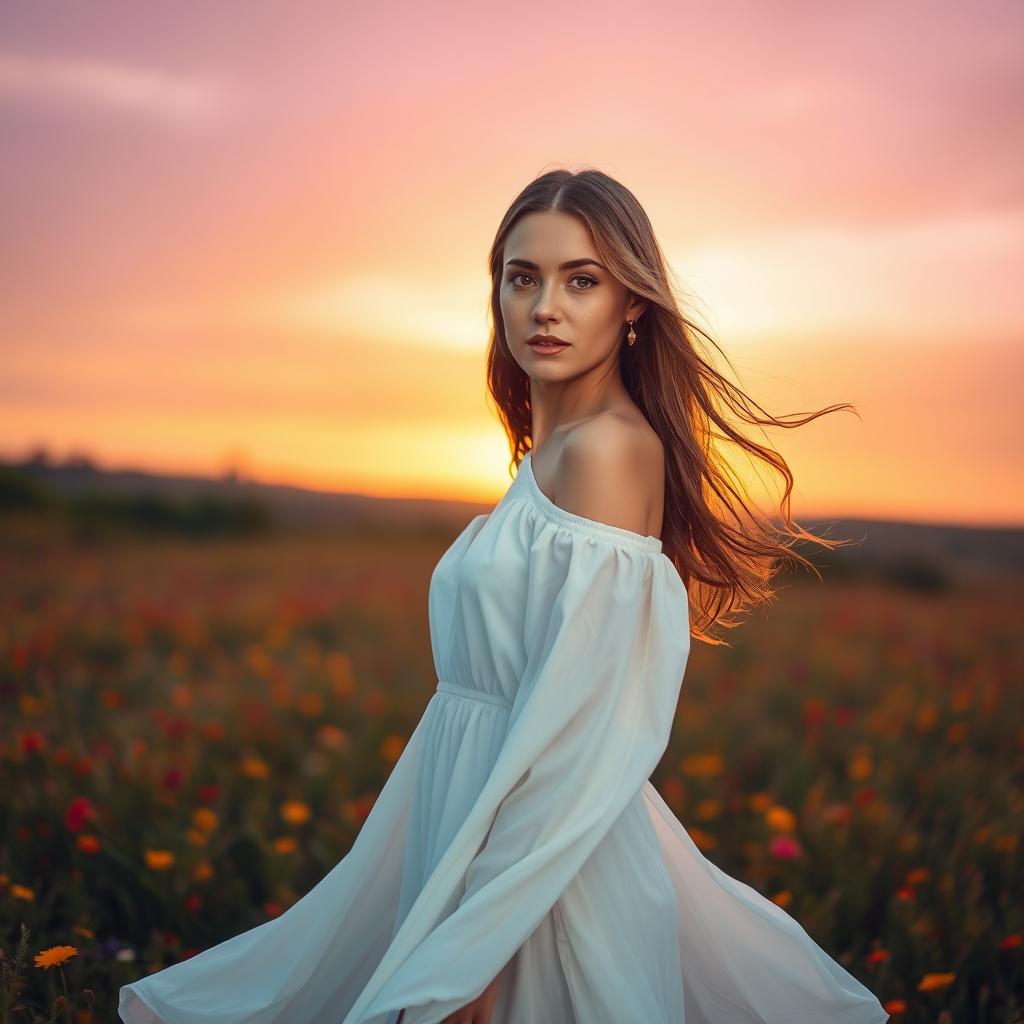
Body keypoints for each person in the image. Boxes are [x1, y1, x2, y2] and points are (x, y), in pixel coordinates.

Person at [119, 168, 888, 1024]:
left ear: (633, 305)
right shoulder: (548, 458)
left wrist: (471, 952)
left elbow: (579, 736)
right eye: (522, 278)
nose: (544, 307)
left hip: (540, 877)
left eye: (581, 280)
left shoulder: (608, 452)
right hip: (473, 823)